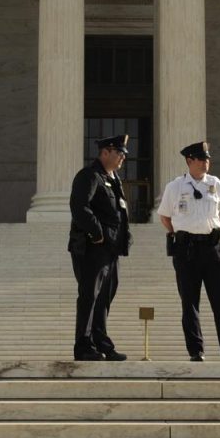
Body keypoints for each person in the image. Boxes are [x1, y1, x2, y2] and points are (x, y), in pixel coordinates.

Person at [157, 141, 220, 361]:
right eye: (201, 159)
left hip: (211, 248)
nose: (206, 163)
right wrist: (179, 233)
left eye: (207, 159)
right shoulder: (174, 187)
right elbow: (165, 216)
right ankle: (196, 351)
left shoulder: (217, 185)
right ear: (189, 161)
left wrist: (219, 232)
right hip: (186, 251)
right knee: (190, 303)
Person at [68, 133, 133, 361]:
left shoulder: (113, 180)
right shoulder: (89, 176)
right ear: (105, 152)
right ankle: (83, 345)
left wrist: (124, 238)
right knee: (89, 296)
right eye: (119, 153)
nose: (123, 158)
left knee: (104, 297)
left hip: (110, 250)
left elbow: (118, 214)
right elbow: (79, 207)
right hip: (91, 248)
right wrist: (97, 234)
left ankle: (101, 342)